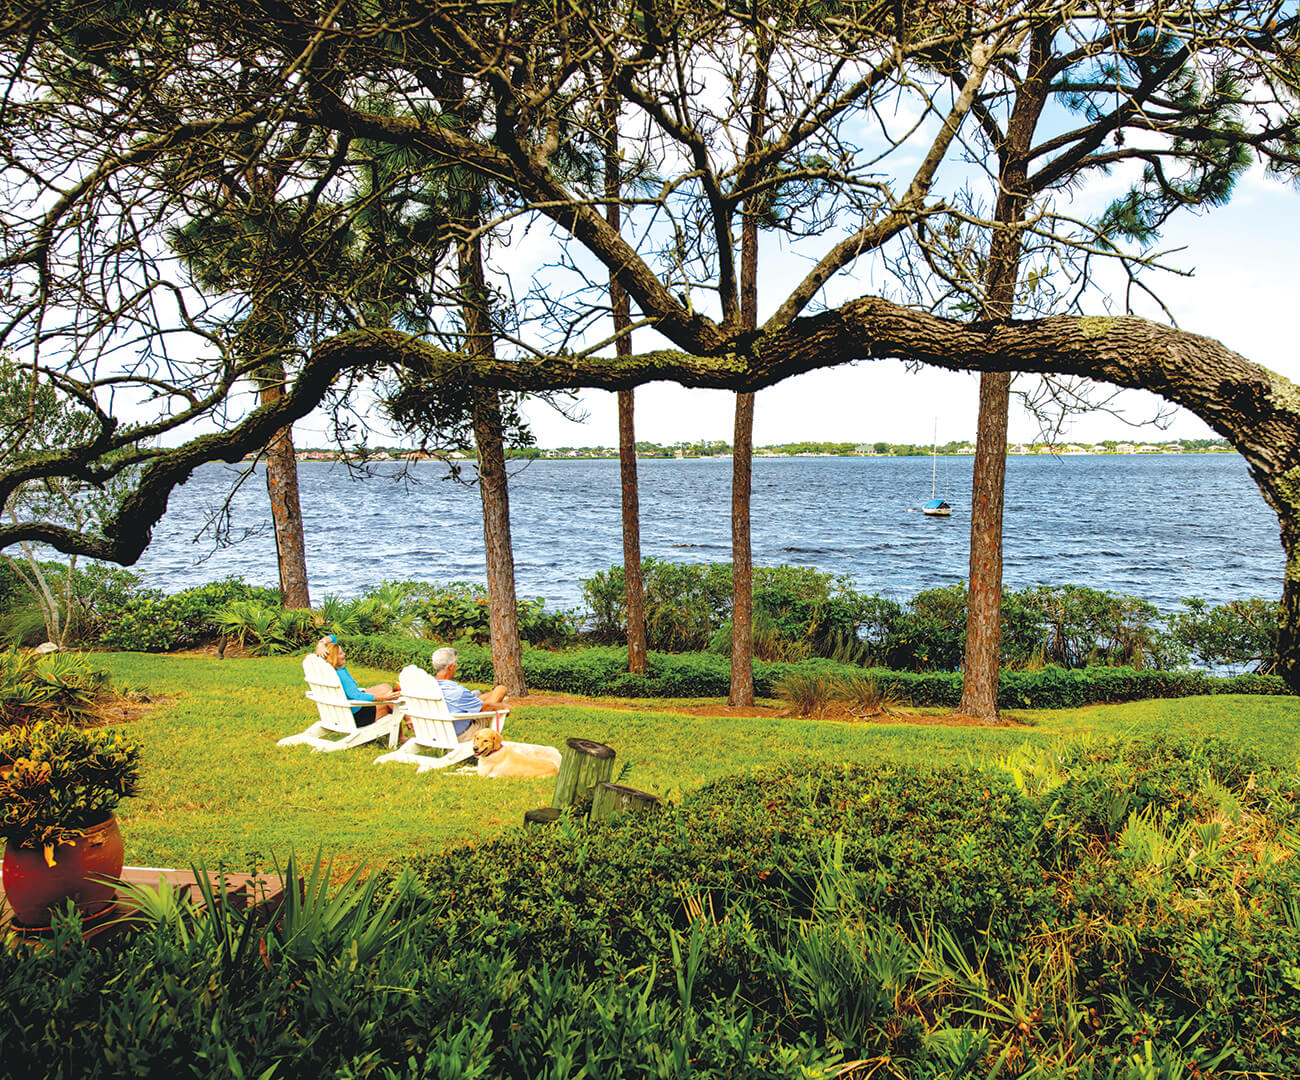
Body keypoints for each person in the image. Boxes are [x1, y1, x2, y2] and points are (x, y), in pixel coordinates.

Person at [315, 635, 400, 727]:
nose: (344, 655)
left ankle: (407, 721)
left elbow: (333, 638)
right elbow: (356, 695)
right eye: (340, 654)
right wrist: (384, 699)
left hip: (340, 710)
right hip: (356, 716)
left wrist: (321, 643)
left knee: (385, 687)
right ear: (333, 657)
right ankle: (402, 732)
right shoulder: (340, 675)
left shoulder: (327, 670)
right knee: (391, 702)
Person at [431, 645, 508, 739]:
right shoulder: (458, 692)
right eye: (456, 663)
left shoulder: (426, 688)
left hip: (434, 732)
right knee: (500, 690)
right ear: (450, 667)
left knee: (497, 691)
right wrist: (503, 707)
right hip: (461, 734)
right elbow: (486, 708)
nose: (457, 666)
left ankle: (480, 698)